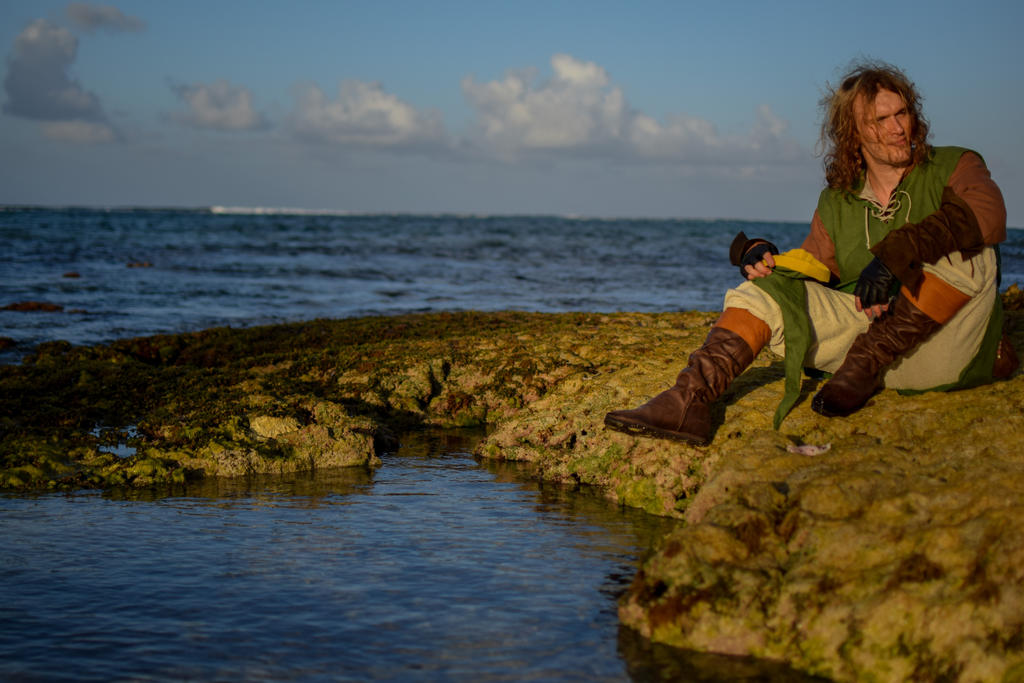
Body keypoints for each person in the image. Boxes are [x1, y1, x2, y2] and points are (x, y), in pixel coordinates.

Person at [604, 60, 1017, 445]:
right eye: (881, 120)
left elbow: (988, 216)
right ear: (854, 133)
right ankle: (688, 400)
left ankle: (866, 363)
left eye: (903, 113)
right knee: (767, 289)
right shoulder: (837, 200)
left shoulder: (955, 165)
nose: (898, 129)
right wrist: (764, 257)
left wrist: (897, 255)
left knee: (972, 247)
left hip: (945, 347)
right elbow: (818, 270)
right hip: (865, 359)